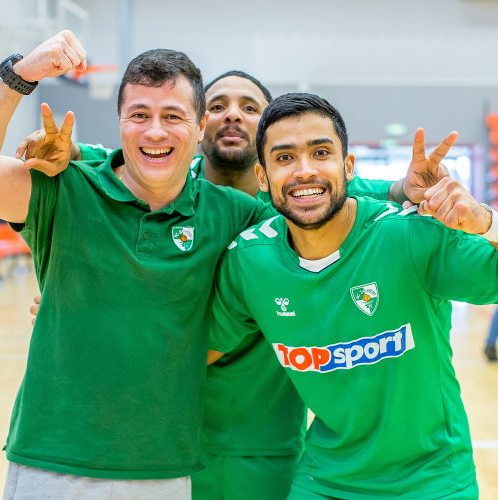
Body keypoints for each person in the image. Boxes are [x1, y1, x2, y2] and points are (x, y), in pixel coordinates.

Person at [22, 68, 463, 499]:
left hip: (264, 443)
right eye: (217, 105)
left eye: (250, 107)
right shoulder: (158, 188)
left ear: (268, 133)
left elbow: (372, 192)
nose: (232, 115)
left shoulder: (300, 199)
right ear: (197, 124)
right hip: (163, 442)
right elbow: (110, 162)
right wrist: (85, 306)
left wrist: (411, 190)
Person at [0, 31, 283, 499]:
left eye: (172, 116)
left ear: (198, 127)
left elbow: (320, 212)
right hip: (50, 463)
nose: (154, 131)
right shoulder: (64, 188)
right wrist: (18, 76)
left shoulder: (234, 214)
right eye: (139, 115)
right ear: (119, 123)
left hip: (163, 472)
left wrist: (404, 196)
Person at [207, 93, 498, 499]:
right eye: (285, 157)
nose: (304, 171)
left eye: (320, 152)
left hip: (433, 480)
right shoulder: (249, 262)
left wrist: (485, 221)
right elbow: (200, 353)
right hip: (325, 481)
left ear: (347, 167)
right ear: (262, 176)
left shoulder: (410, 236)